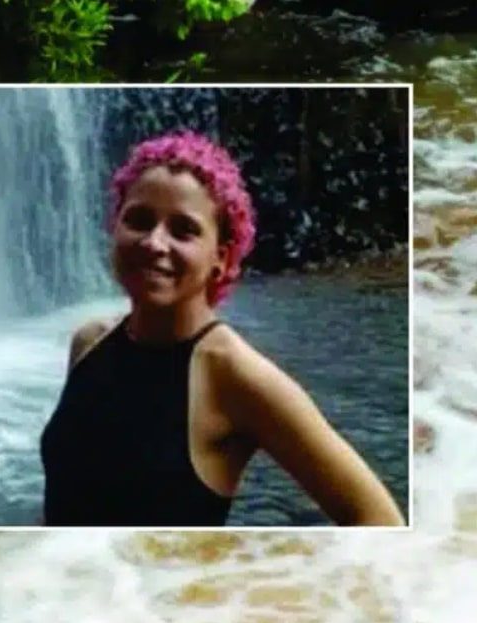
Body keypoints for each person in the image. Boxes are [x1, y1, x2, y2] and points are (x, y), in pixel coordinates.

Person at [39, 130, 405, 528]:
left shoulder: (232, 373)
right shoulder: (90, 342)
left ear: (221, 257)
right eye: (139, 220)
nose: (154, 243)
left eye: (184, 230)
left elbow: (377, 518)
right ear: (116, 228)